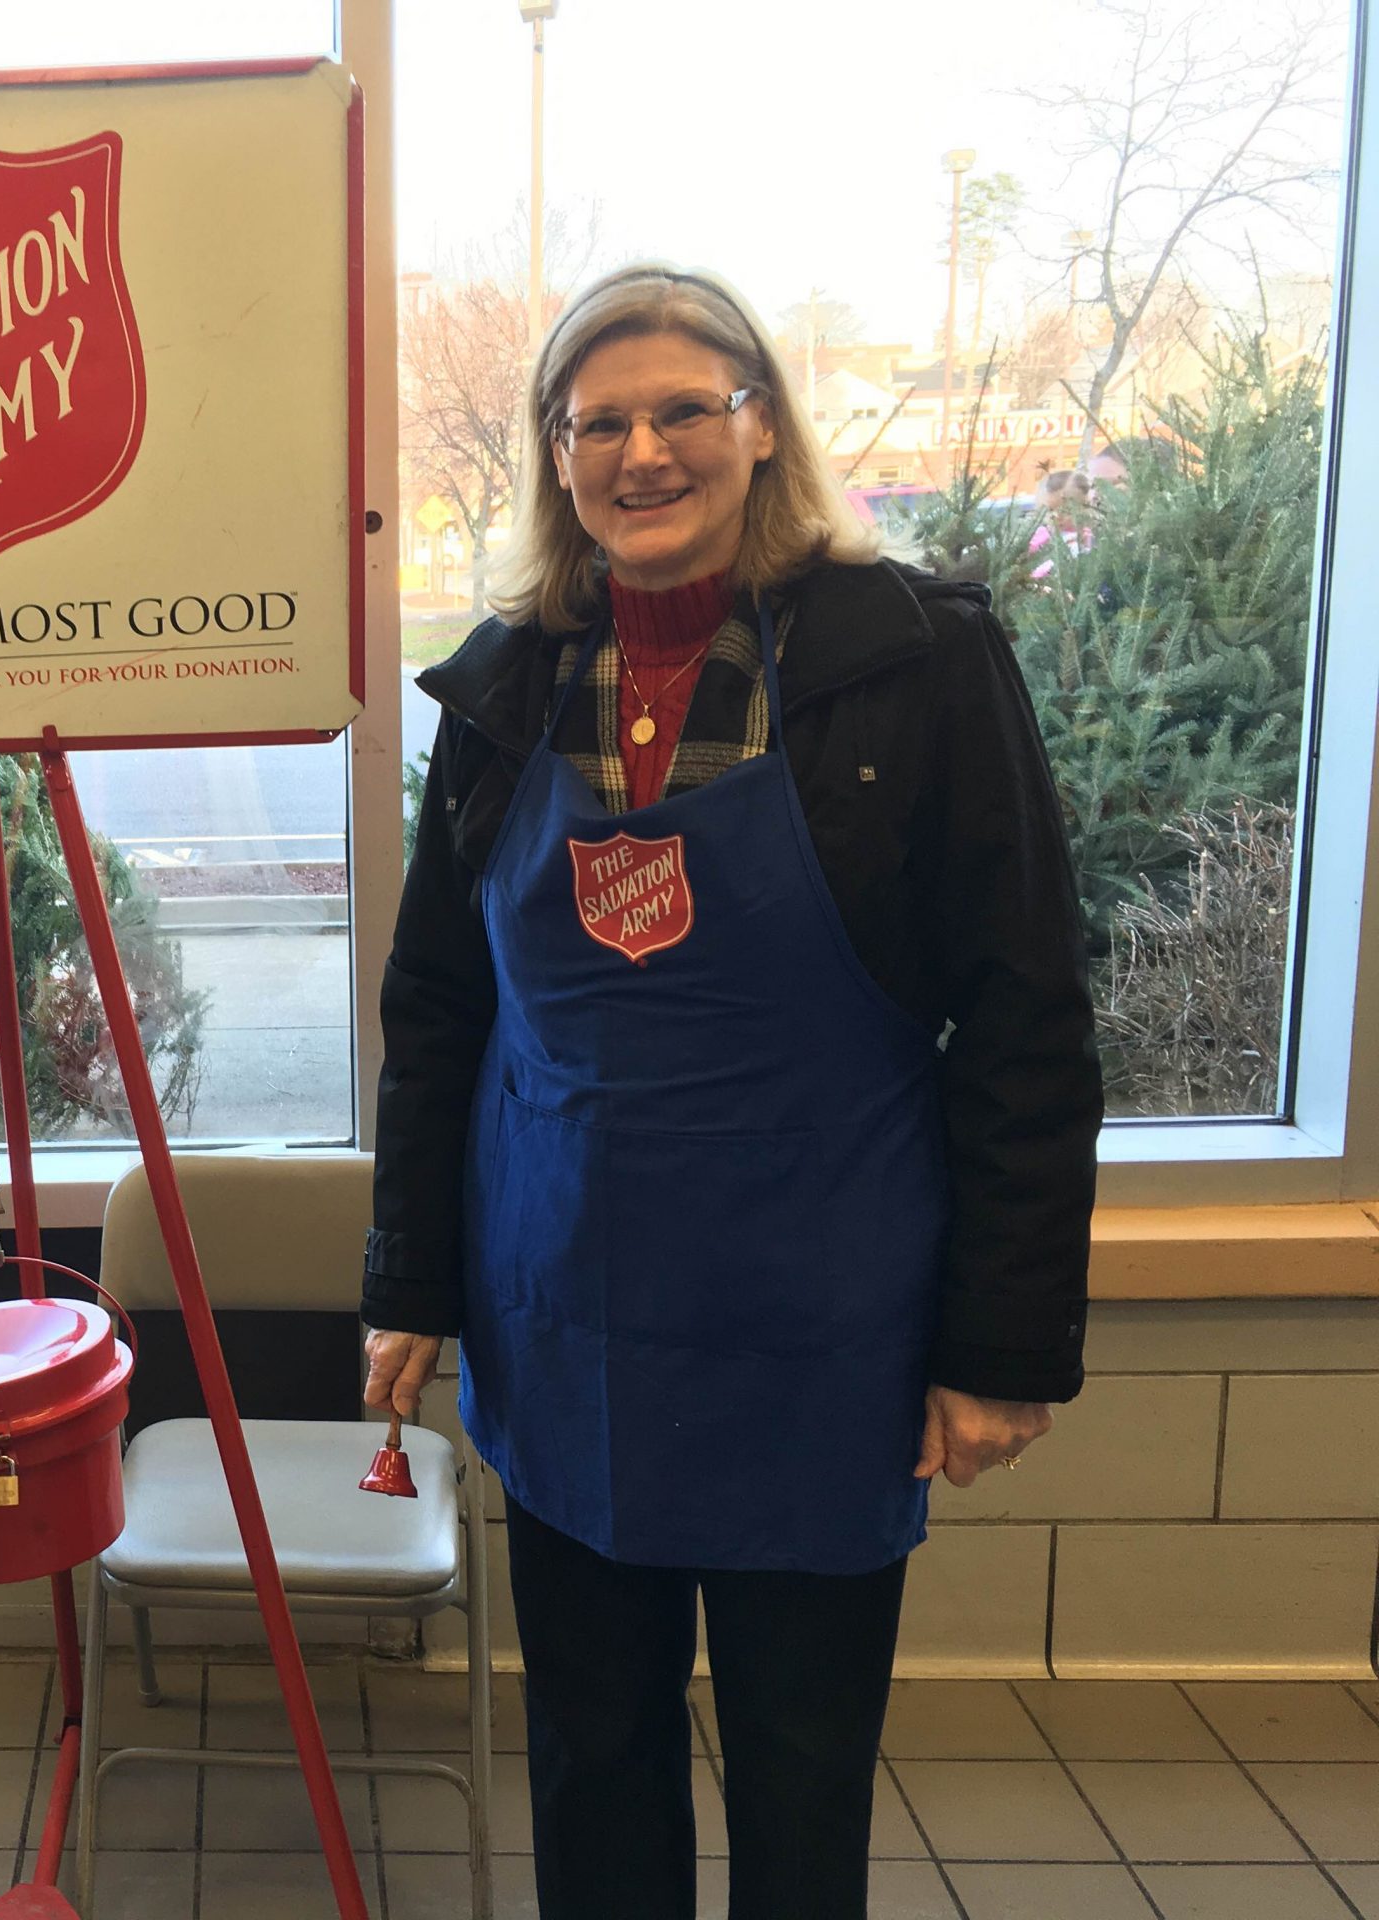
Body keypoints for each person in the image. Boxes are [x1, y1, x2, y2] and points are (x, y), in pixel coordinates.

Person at [362, 266, 1100, 1920]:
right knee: (593, 1761)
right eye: (598, 420)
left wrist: (1001, 1341)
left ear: (762, 427)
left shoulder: (912, 662)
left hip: (823, 1328)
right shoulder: (499, 695)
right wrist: (411, 1278)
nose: (643, 450)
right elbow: (439, 1006)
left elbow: (1028, 1020)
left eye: (684, 407)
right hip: (570, 1331)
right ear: (557, 459)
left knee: (798, 1770)